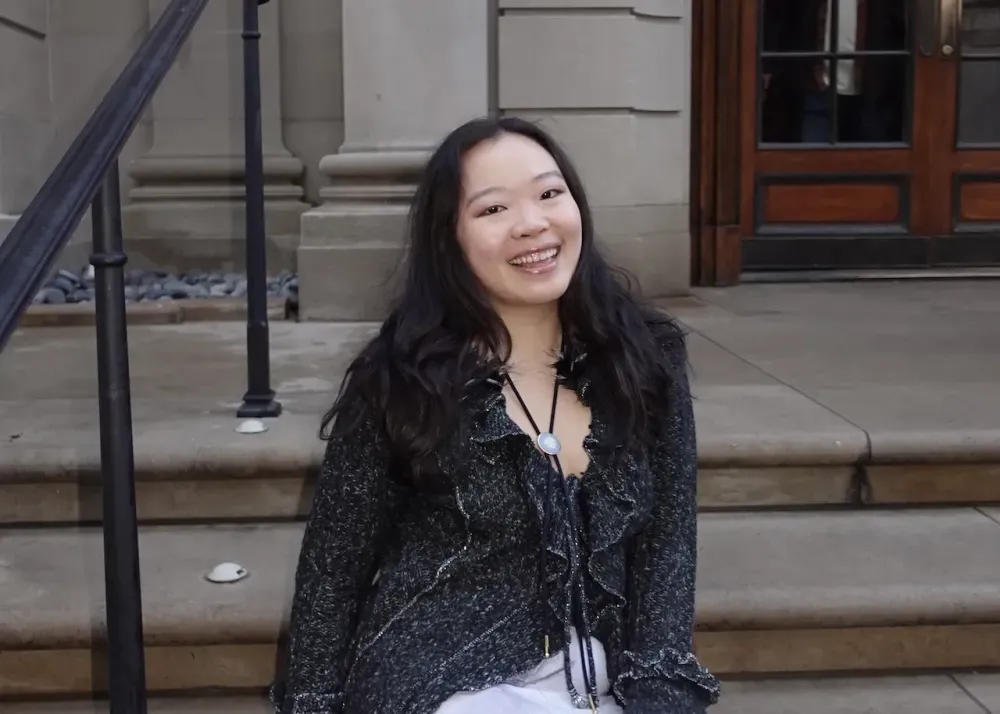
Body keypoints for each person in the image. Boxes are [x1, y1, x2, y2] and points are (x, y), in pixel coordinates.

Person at [269, 117, 721, 714]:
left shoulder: (645, 356)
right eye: (492, 210)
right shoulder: (401, 383)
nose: (532, 223)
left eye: (549, 193)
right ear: (448, 239)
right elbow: (332, 572)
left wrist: (661, 699)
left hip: (604, 683)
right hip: (444, 687)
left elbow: (667, 552)